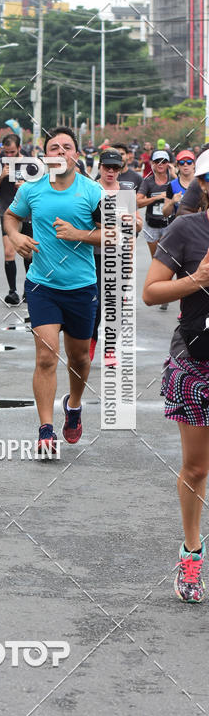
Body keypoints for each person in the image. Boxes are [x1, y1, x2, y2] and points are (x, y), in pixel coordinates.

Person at [4, 126, 103, 455]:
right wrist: (16, 237)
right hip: (42, 284)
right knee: (46, 356)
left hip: (81, 287)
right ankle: (45, 428)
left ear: (77, 154)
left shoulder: (93, 192)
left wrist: (79, 234)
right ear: (45, 155)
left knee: (79, 358)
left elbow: (114, 233)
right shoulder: (32, 189)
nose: (60, 152)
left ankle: (73, 405)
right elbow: (10, 217)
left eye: (67, 147)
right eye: (54, 147)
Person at [142, 150, 209, 603]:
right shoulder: (187, 229)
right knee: (197, 466)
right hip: (196, 360)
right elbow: (151, 292)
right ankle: (191, 551)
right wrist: (197, 279)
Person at [90, 149, 143, 361]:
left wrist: (136, 225)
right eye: (106, 167)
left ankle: (110, 348)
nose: (110, 171)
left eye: (115, 168)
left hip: (119, 256)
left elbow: (137, 224)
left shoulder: (126, 193)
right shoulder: (92, 190)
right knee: (95, 304)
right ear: (100, 167)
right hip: (94, 254)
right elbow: (91, 223)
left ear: (120, 170)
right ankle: (90, 344)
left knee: (115, 305)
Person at [0, 133, 34, 304]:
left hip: (27, 213)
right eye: (6, 152)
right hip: (7, 212)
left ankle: (28, 290)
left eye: (12, 152)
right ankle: (12, 291)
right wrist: (1, 176)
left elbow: (42, 187)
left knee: (28, 253)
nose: (9, 155)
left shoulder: (31, 163)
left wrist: (27, 186)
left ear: (19, 149)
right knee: (9, 252)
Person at [137, 149, 174, 269]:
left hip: (169, 225)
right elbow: (138, 202)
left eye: (163, 161)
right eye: (157, 161)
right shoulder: (148, 182)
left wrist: (175, 174)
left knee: (167, 260)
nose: (160, 164)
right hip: (152, 225)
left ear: (168, 163)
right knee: (155, 260)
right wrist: (157, 197)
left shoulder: (174, 180)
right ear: (152, 163)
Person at [163, 149, 197, 218]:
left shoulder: (202, 183)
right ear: (178, 166)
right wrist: (172, 202)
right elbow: (165, 214)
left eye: (189, 162)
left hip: (199, 227)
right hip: (180, 226)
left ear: (194, 165)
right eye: (182, 162)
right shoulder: (172, 185)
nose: (185, 164)